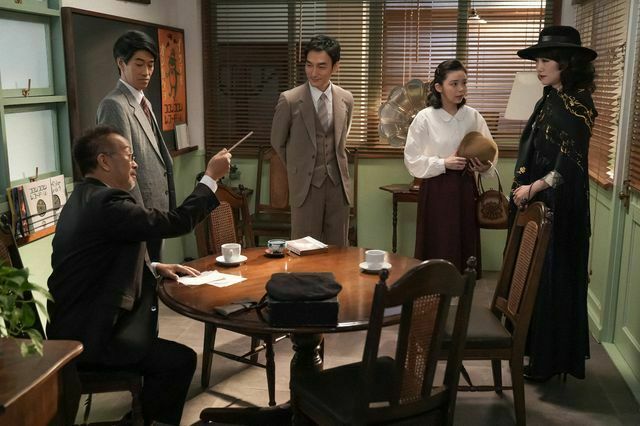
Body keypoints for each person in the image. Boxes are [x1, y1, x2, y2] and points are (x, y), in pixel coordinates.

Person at [47, 126, 231, 425]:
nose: (135, 164)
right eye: (129, 155)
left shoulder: (82, 197)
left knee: (171, 358)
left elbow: (100, 259)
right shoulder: (109, 204)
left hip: (70, 326)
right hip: (93, 337)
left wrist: (155, 267)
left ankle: (138, 419)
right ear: (104, 161)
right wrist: (210, 178)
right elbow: (177, 222)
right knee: (180, 361)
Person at [510, 26, 597, 381]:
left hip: (562, 206)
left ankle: (550, 362)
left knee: (553, 279)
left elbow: (568, 168)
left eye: (546, 60)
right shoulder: (550, 99)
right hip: (540, 200)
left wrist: (532, 188)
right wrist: (528, 188)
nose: (539, 67)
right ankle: (535, 352)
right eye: (538, 60)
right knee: (534, 278)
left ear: (566, 63)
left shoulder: (579, 104)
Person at [404, 59, 495, 272]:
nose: (461, 89)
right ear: (439, 87)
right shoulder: (425, 118)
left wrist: (484, 167)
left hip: (465, 187)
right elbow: (411, 159)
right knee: (438, 240)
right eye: (454, 84)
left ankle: (463, 287)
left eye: (464, 83)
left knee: (464, 241)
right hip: (436, 189)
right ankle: (433, 286)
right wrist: (443, 163)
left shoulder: (473, 116)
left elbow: (491, 151)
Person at [97, 30, 174, 261]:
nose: (146, 72)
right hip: (139, 214)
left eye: (151, 65)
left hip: (155, 211)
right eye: (139, 64)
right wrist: (137, 218)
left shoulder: (143, 101)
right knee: (145, 276)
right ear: (121, 63)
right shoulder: (114, 105)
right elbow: (119, 172)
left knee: (157, 274)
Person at [271, 35, 354, 246]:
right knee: (304, 251)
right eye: (309, 65)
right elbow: (278, 142)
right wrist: (298, 167)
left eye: (321, 66)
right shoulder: (289, 100)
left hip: (338, 187)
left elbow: (342, 138)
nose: (313, 72)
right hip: (305, 188)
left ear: (336, 67)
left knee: (339, 252)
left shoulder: (346, 98)